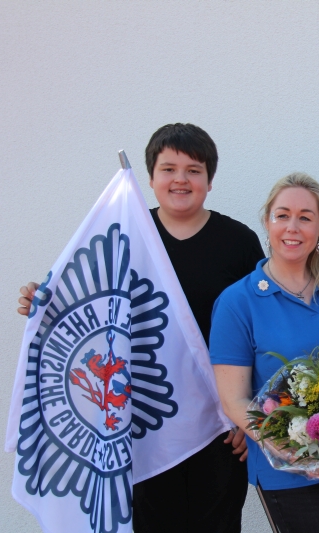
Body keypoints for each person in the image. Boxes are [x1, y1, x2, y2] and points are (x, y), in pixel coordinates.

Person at [17, 123, 264, 533]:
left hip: (220, 425)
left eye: (194, 170)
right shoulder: (124, 237)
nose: (180, 179)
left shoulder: (238, 241)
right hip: (146, 421)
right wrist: (41, 302)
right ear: (150, 178)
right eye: (168, 169)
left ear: (209, 181)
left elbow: (260, 330)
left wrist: (248, 412)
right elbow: (88, 300)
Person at [209, 172, 319, 533]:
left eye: (305, 217)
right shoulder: (238, 302)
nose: (293, 227)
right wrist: (293, 451)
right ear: (267, 222)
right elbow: (233, 400)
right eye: (282, 215)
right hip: (293, 475)